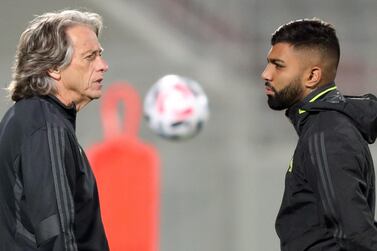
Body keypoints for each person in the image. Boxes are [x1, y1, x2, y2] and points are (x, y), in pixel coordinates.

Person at [261, 18, 377, 250]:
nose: (266, 74)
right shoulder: (325, 125)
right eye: (268, 63)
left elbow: (356, 235)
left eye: (278, 65)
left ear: (313, 76)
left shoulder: (326, 133)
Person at [0, 10, 109, 250]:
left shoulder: (28, 117)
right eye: (90, 57)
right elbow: (55, 232)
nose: (103, 66)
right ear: (53, 68)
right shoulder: (45, 125)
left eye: (100, 55)